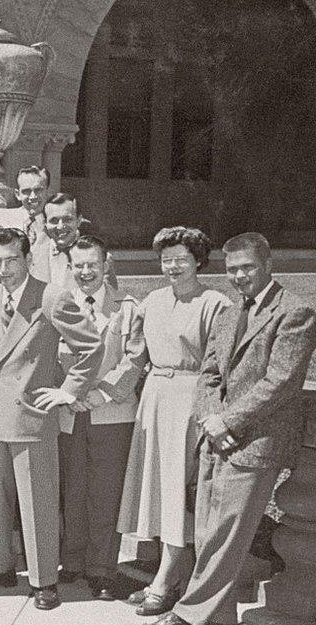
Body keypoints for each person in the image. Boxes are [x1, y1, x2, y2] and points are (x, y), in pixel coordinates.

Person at [159, 233, 316, 625]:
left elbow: (281, 381)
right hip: (216, 439)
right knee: (210, 534)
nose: (239, 276)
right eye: (232, 270)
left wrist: (227, 420)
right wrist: (212, 421)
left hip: (256, 444)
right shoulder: (229, 314)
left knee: (225, 538)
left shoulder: (295, 312)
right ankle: (219, 617)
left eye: (247, 267)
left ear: (267, 265)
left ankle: (187, 614)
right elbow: (209, 374)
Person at [0, 227, 104, 611]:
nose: (4, 268)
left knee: (37, 499)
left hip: (31, 412)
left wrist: (68, 391)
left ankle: (44, 580)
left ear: (28, 258)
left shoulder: (51, 295)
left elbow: (91, 345)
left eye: (12, 260)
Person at [117, 226, 231, 617]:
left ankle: (167, 581)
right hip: (154, 399)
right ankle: (168, 575)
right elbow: (134, 357)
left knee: (179, 494)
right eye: (166, 259)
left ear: (199, 260)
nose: (173, 266)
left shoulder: (215, 303)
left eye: (182, 259)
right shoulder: (151, 300)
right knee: (160, 491)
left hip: (191, 402)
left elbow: (222, 366)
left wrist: (211, 413)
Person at [57, 235, 144, 600]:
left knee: (105, 494)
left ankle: (102, 568)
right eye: (79, 265)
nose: (86, 271)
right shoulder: (59, 305)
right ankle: (72, 561)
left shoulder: (127, 307)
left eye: (93, 263)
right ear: (70, 267)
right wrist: (70, 395)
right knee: (72, 490)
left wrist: (101, 393)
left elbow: (134, 358)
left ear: (106, 263)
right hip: (69, 413)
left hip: (112, 412)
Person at [0, 165, 52, 280]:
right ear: (17, 194)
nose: (33, 196)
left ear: (48, 192)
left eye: (38, 190)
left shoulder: (56, 225)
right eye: (26, 191)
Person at [41, 193, 116, 289]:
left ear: (79, 220)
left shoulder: (100, 258)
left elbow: (107, 299)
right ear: (45, 224)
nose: (60, 226)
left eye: (67, 219)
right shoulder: (34, 256)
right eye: (54, 220)